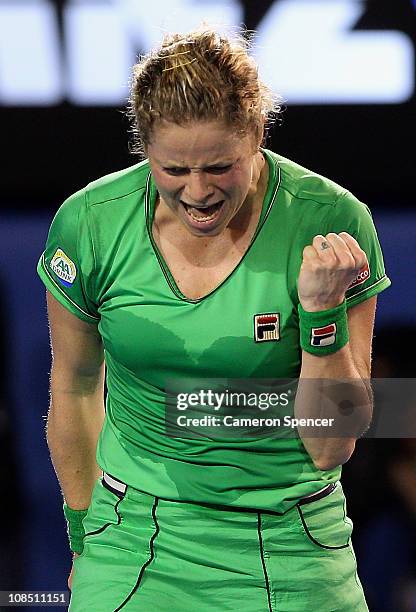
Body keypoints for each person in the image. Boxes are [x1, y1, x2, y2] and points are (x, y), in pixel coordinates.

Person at [37, 27, 391, 611]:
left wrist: (322, 313)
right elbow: (73, 386)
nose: (197, 192)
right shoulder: (90, 222)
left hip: (291, 538)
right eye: (173, 170)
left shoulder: (331, 219)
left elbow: (330, 448)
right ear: (144, 149)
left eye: (221, 166)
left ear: (256, 137)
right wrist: (83, 535)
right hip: (133, 535)